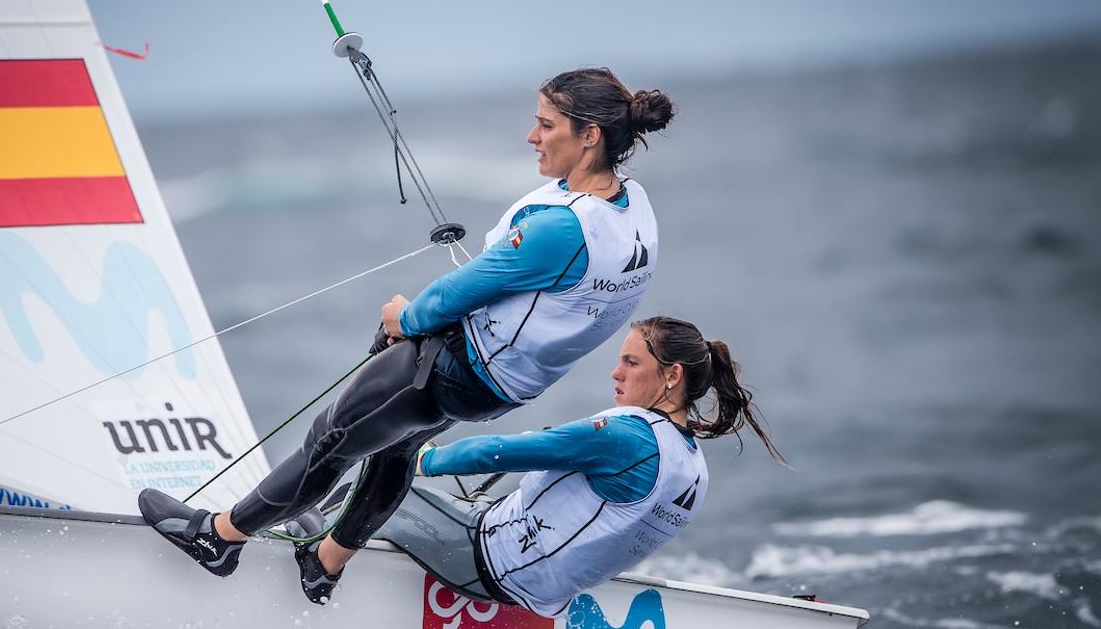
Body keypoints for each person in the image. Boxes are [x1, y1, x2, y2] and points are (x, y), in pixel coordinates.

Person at [138, 68, 676, 600]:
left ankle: (219, 538)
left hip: (456, 368)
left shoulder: (562, 227)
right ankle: (325, 563)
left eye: (546, 125)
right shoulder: (633, 206)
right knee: (395, 447)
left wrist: (406, 317)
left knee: (331, 441)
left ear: (589, 135)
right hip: (503, 387)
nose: (532, 137)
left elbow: (455, 294)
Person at [372, 317, 786, 617]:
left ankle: (319, 562)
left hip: (483, 559)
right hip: (540, 594)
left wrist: (426, 459)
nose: (616, 372)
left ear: (672, 375)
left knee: (378, 482)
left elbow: (496, 452)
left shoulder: (629, 438)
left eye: (631, 362)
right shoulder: (692, 464)